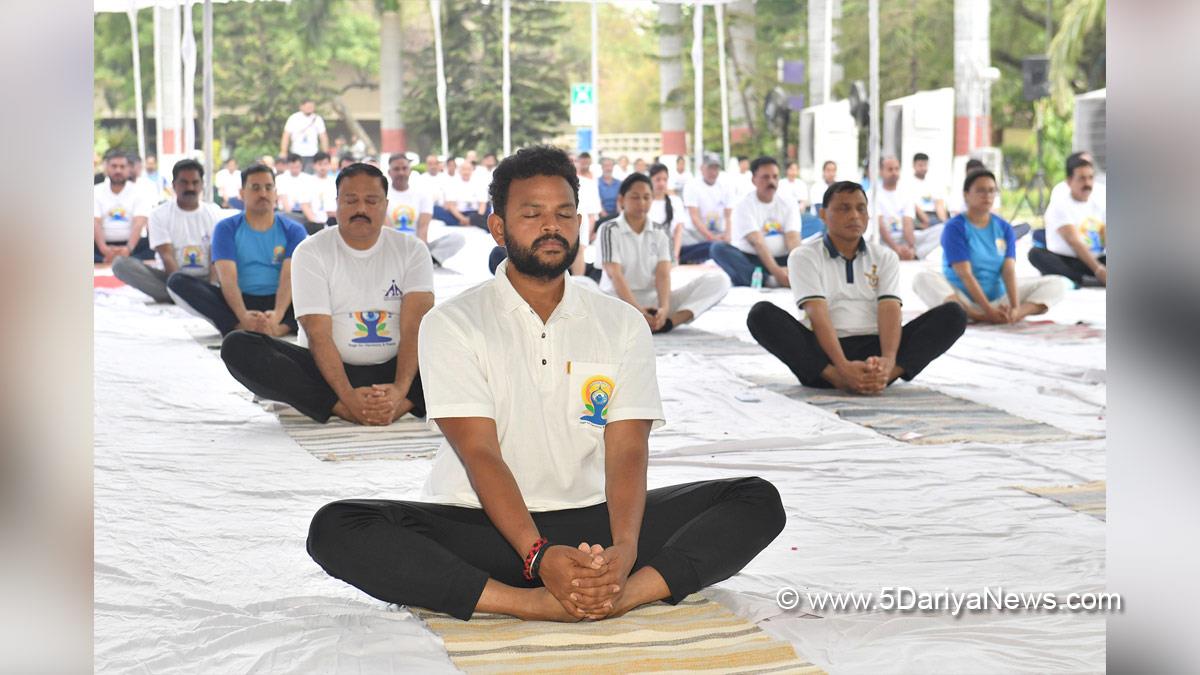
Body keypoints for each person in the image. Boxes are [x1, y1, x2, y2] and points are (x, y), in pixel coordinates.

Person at [305, 145, 785, 622]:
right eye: (532, 214)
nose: (551, 226)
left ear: (581, 224)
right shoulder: (453, 322)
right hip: (485, 526)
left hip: (592, 522)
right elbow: (480, 454)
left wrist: (623, 550)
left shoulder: (620, 322)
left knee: (755, 499)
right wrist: (538, 555)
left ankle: (625, 594)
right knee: (337, 527)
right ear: (499, 227)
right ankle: (527, 602)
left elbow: (626, 449)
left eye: (564, 213)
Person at [221, 162, 434, 426]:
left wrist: (401, 392)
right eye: (351, 200)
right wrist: (348, 400)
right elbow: (317, 334)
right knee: (238, 346)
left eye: (371, 201)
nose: (360, 209)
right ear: (337, 203)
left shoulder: (412, 250)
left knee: (461, 342)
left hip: (399, 367)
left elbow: (416, 327)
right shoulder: (311, 251)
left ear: (385, 204)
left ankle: (404, 404)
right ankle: (336, 408)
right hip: (326, 372)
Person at [746, 181, 967, 393]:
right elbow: (818, 314)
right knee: (761, 314)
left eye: (861, 209)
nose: (854, 216)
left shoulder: (884, 256)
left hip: (876, 354)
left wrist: (888, 363)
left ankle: (880, 379)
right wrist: (841, 366)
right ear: (823, 214)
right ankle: (841, 380)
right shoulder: (804, 256)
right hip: (823, 360)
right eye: (844, 208)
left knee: (953, 314)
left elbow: (890, 310)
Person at [167, 164, 306, 336]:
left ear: (275, 193)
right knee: (178, 281)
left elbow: (289, 277)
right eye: (255, 188)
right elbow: (227, 279)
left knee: (321, 290)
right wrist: (242, 315)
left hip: (283, 302)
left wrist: (278, 315)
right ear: (242, 194)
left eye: (268, 187)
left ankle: (281, 328)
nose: (263, 194)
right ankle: (238, 325)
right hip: (238, 301)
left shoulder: (294, 230)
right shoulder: (226, 228)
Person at [913, 169, 1065, 323]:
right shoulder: (955, 227)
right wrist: (987, 312)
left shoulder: (1003, 227)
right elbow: (965, 274)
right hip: (962, 298)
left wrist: (1015, 308)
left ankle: (1011, 316)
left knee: (1056, 283)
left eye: (992, 191)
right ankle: (973, 315)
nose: (987, 196)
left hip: (999, 297)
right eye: (981, 191)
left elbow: (1008, 270)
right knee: (922, 278)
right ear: (966, 195)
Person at [598, 173, 730, 334]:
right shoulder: (609, 229)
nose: (642, 203)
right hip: (617, 301)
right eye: (635, 197)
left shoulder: (660, 232)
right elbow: (615, 275)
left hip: (652, 301)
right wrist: (638, 311)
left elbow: (663, 274)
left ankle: (667, 323)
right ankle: (637, 321)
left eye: (647, 197)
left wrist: (664, 308)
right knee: (580, 283)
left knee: (720, 281)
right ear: (621, 200)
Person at [112, 159, 231, 304]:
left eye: (195, 182)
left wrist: (212, 286)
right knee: (120, 265)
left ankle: (190, 298)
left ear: (202, 185)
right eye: (184, 182)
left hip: (207, 280)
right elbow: (167, 257)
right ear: (174, 185)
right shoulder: (159, 214)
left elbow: (216, 257)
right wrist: (181, 287)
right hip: (171, 279)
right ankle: (189, 297)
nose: (190, 187)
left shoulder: (214, 212)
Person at [711, 156, 802, 287]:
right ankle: (768, 280)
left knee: (811, 249)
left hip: (784, 260)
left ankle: (758, 279)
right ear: (754, 180)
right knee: (718, 248)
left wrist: (797, 270)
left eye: (775, 177)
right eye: (765, 177)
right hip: (754, 260)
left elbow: (793, 238)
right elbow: (758, 242)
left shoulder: (789, 202)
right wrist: (778, 274)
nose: (771, 181)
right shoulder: (744, 205)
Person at [1029, 156, 1107, 287]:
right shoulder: (1060, 205)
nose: (1087, 183)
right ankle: (1082, 280)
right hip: (1069, 260)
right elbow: (1074, 243)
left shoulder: (1099, 203)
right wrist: (1099, 270)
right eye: (1082, 178)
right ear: (1069, 181)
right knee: (1036, 254)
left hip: (1097, 258)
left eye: (1090, 178)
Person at [386, 153, 465, 266]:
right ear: (390, 172)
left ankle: (428, 261)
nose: (401, 172)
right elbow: (387, 230)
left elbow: (423, 229)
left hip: (416, 246)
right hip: (391, 248)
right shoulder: (382, 195)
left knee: (458, 238)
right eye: (396, 169)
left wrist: (419, 254)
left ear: (410, 170)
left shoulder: (422, 195)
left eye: (404, 168)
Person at [875, 156, 942, 260]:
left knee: (943, 229)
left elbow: (908, 225)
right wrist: (896, 248)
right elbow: (880, 227)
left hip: (903, 238)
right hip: (884, 240)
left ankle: (913, 254)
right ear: (881, 172)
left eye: (897, 169)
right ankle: (901, 253)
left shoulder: (905, 194)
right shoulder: (873, 195)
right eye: (890, 169)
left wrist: (911, 247)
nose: (894, 173)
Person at [94, 149, 152, 263]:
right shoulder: (96, 191)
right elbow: (95, 223)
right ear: (106, 168)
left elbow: (139, 223)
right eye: (114, 166)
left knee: (153, 247)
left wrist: (128, 249)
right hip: (101, 245)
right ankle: (110, 259)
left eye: (122, 166)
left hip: (133, 245)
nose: (118, 170)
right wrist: (104, 249)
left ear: (129, 169)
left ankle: (120, 259)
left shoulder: (140, 192)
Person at [679, 154, 733, 261]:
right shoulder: (692, 185)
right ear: (702, 168)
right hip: (696, 234)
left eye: (716, 168)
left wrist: (727, 235)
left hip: (719, 232)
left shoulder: (726, 185)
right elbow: (694, 217)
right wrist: (711, 238)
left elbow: (729, 216)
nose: (713, 172)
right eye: (710, 168)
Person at [647, 163, 690, 263]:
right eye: (658, 180)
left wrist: (675, 256)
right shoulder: (644, 203)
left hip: (669, 253)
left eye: (665, 179)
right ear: (650, 180)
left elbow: (678, 231)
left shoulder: (676, 201)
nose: (662, 183)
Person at [280, 98, 329, 171]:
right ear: (301, 107)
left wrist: (325, 153)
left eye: (312, 107)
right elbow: (286, 136)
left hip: (312, 154)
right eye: (308, 107)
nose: (310, 109)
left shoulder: (318, 119)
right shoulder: (293, 118)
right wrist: (283, 152)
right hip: (296, 153)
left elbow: (323, 137)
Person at [907, 152, 949, 226]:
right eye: (920, 165)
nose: (923, 168)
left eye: (925, 165)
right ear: (913, 165)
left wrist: (944, 222)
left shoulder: (933, 183)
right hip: (917, 217)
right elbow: (913, 206)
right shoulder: (908, 183)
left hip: (934, 215)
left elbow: (939, 204)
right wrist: (927, 221)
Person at [445, 161, 489, 229]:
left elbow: (482, 205)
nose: (466, 172)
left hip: (475, 214)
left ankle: (471, 222)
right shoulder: (452, 183)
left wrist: (475, 218)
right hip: (458, 214)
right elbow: (451, 206)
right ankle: (467, 222)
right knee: (440, 211)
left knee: (487, 212)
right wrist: (463, 219)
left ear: (472, 170)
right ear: (459, 170)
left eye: (468, 169)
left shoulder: (479, 183)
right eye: (464, 169)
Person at [596, 157, 621, 224]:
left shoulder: (619, 183)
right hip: (601, 216)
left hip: (616, 215)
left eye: (610, 166)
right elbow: (597, 201)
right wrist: (605, 216)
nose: (608, 168)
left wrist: (619, 216)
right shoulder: (597, 182)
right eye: (606, 166)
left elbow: (619, 200)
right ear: (602, 167)